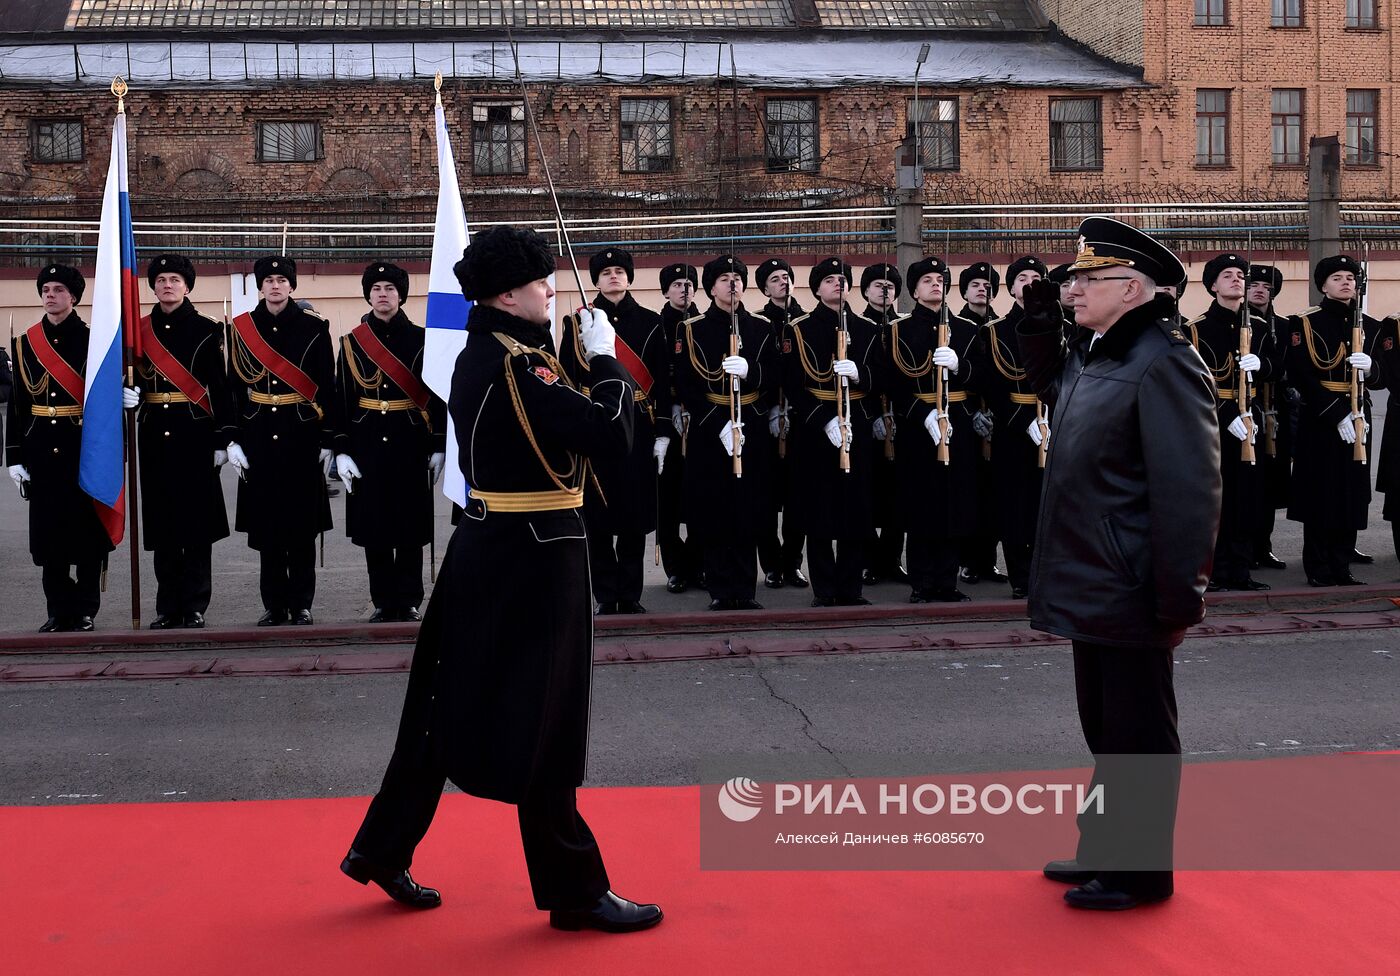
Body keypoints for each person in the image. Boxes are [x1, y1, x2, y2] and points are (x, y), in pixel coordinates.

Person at [343, 224, 661, 934]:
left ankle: (382, 848)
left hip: (486, 545)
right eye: (542, 282)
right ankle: (575, 892)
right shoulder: (521, 364)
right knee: (545, 719)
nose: (552, 289)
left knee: (439, 703)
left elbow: (545, 426)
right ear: (510, 294)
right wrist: (609, 363)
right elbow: (608, 437)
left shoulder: (494, 351)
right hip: (537, 551)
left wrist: (576, 354)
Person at [1017, 216, 1221, 911]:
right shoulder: (1100, 352)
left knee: (1138, 733)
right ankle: (1105, 848)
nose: (1072, 290)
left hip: (1132, 581)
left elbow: (1189, 490)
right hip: (1090, 575)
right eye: (1071, 281)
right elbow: (1044, 378)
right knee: (1106, 727)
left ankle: (1141, 873)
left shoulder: (1164, 360)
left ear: (1130, 289)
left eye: (1085, 281)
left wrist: (1180, 593)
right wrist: (1041, 320)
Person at [223, 255, 336, 626]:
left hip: (301, 433)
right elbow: (233, 389)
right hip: (258, 436)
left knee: (301, 526)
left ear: (292, 286)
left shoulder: (314, 327)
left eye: (281, 280)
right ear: (260, 286)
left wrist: (328, 440)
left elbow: (326, 385)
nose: (274, 285)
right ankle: (274, 604)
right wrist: (233, 439)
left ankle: (301, 602)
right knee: (267, 525)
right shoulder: (242, 329)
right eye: (268, 280)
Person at [558, 247, 669, 615]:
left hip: (637, 424)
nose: (614, 277)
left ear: (630, 277)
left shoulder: (652, 323)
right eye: (606, 273)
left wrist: (664, 431)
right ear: (596, 280)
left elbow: (664, 382)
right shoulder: (577, 323)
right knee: (599, 515)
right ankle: (606, 595)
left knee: (634, 516)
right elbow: (567, 377)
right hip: (596, 422)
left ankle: (631, 593)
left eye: (620, 271)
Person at [333, 262, 446, 623]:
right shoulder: (351, 342)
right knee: (376, 525)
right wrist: (342, 449)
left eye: (390, 288)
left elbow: (437, 395)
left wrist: (439, 444)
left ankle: (410, 598)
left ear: (401, 295)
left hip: (410, 440)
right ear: (368, 294)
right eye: (377, 288)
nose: (383, 294)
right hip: (367, 443)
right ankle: (383, 599)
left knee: (410, 524)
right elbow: (343, 398)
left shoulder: (422, 339)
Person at [6, 263, 115, 632]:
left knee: (86, 534)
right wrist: (14, 457)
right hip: (41, 450)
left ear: (74, 297)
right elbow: (19, 405)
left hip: (82, 448)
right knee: (49, 537)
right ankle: (58, 609)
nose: (50, 295)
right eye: (46, 289)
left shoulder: (94, 340)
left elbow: (103, 401)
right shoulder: (24, 343)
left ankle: (84, 609)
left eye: (58, 290)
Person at [124, 254, 231, 629]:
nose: (167, 285)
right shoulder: (137, 331)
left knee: (196, 524)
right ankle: (167, 605)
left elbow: (220, 388)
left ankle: (195, 603)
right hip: (154, 432)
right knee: (162, 522)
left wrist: (222, 438)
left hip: (196, 433)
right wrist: (128, 394)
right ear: (153, 287)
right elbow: (129, 376)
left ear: (187, 287)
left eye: (174, 279)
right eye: (161, 280)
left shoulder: (208, 330)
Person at [672, 255, 778, 610]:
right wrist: (716, 423)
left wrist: (752, 372)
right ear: (712, 287)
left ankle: (746, 588)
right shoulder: (692, 328)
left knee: (749, 508)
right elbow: (686, 384)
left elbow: (776, 377)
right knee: (715, 508)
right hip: (711, 425)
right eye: (724, 278)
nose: (732, 284)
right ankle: (719, 587)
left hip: (751, 423)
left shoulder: (762, 327)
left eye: (737, 277)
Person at [1283, 255, 1388, 585]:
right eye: (1337, 277)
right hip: (1321, 417)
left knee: (1351, 492)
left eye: (1351, 277)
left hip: (1359, 416)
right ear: (1323, 285)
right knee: (1320, 491)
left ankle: (1342, 566)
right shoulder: (1305, 323)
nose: (1346, 282)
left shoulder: (1371, 326)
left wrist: (1371, 369)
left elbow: (1382, 377)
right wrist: (1335, 413)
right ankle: (1318, 567)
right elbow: (1301, 373)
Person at [783, 257, 881, 606]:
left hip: (857, 422)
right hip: (816, 427)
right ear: (817, 288)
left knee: (856, 509)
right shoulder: (800, 328)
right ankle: (824, 589)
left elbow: (882, 378)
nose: (837, 284)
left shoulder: (868, 328)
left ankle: (851, 587)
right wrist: (823, 419)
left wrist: (860, 375)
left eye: (842, 279)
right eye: (829, 280)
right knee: (819, 509)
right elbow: (793, 384)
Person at [886, 256, 981, 603]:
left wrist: (961, 365)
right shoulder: (898, 331)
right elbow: (894, 384)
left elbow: (982, 379)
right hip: (918, 426)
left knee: (953, 503)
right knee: (921, 502)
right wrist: (922, 412)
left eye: (940, 280)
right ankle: (921, 581)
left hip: (956, 422)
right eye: (927, 280)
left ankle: (947, 579)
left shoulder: (969, 331)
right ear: (914, 289)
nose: (935, 285)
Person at [1185, 254, 1279, 592]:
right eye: (1228, 275)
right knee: (1214, 501)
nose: (1237, 280)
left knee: (1246, 498)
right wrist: (1226, 417)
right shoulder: (1194, 331)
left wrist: (1263, 365)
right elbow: (1192, 385)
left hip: (1250, 420)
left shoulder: (1261, 326)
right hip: (1211, 424)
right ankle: (1211, 571)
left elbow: (1279, 369)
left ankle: (1240, 569)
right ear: (1213, 285)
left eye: (1241, 274)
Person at [970, 256, 1050, 599]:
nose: (1029, 282)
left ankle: (1048, 575)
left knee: (1048, 505)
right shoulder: (994, 332)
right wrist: (1024, 420)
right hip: (1013, 428)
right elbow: (989, 384)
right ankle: (1020, 576)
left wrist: (1049, 417)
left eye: (1036, 277)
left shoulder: (1059, 327)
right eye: (1023, 278)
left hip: (1053, 425)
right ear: (1013, 287)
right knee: (1015, 506)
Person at [753, 257, 808, 589]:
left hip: (801, 418)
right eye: (775, 278)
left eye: (786, 276)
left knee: (796, 496)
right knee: (766, 496)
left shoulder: (804, 320)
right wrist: (771, 408)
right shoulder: (758, 322)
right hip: (766, 420)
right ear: (765, 287)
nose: (782, 282)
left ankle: (793, 563)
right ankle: (771, 564)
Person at [857, 262, 906, 585]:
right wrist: (874, 414)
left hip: (901, 420)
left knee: (896, 497)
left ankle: (891, 560)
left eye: (890, 286)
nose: (884, 290)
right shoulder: (857, 326)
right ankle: (869, 560)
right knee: (866, 494)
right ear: (865, 291)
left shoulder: (905, 325)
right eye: (878, 285)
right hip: (866, 419)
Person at [656, 262, 702, 593]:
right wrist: (668, 409)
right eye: (676, 284)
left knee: (700, 492)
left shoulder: (704, 323)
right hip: (668, 417)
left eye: (688, 283)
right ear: (666, 290)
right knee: (668, 496)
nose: (683, 289)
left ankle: (698, 564)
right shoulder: (656, 325)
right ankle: (675, 567)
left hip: (701, 415)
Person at [1245, 264, 1293, 571]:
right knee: (1247, 484)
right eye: (1254, 285)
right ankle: (1244, 548)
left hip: (1278, 409)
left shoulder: (1286, 326)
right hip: (1250, 408)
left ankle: (1264, 546)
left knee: (1272, 484)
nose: (1260, 289)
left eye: (1266, 285)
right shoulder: (1240, 322)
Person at [957, 261, 1000, 326]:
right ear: (965, 293)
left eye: (986, 286)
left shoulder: (1001, 326)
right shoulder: (954, 325)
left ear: (993, 295)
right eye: (975, 285)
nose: (981, 289)